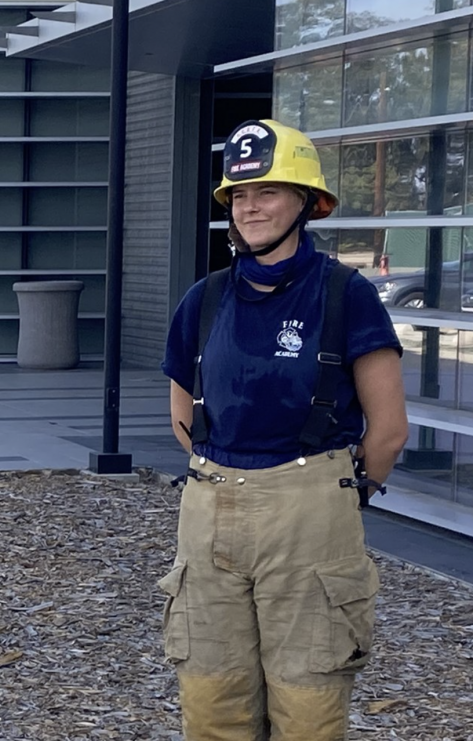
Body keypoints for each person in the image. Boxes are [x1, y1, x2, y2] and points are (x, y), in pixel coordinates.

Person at [159, 119, 409, 740]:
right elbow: (182, 416)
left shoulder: (346, 295)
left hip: (311, 511)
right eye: (239, 196)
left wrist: (338, 496)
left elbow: (390, 430)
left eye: (268, 192)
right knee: (211, 699)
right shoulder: (205, 298)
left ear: (307, 202)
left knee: (308, 707)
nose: (250, 208)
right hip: (208, 505)